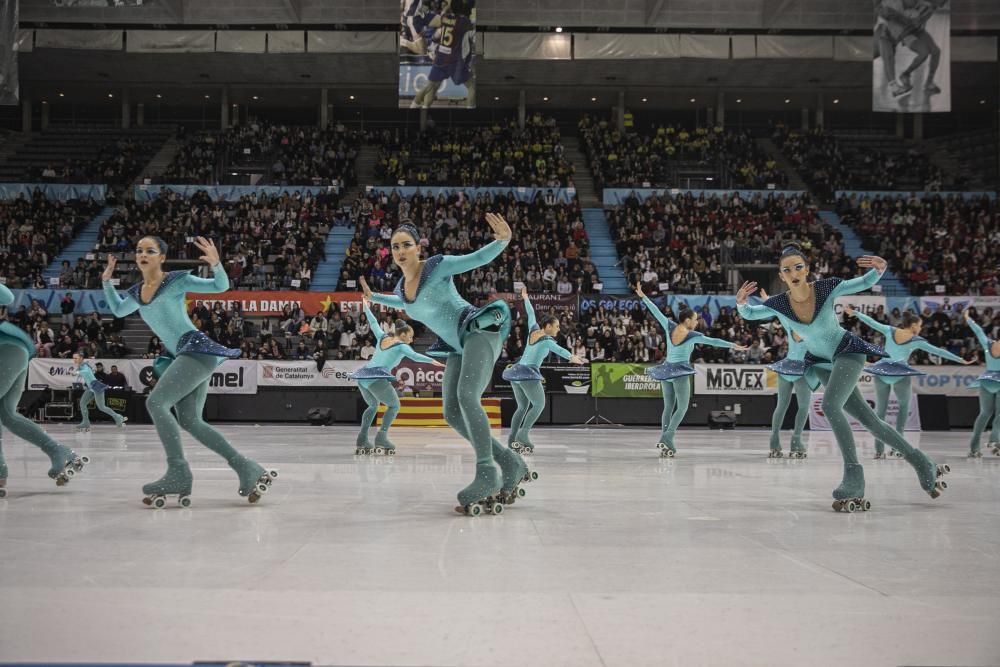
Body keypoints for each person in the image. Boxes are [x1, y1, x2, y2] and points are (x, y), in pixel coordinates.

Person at [736, 244, 949, 512]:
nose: (794, 272)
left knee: (829, 405)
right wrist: (741, 302)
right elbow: (752, 314)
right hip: (822, 363)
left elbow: (859, 282)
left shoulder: (826, 288)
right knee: (870, 421)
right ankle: (922, 462)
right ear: (781, 276)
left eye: (798, 267)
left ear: (807, 269)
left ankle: (853, 476)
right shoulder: (779, 303)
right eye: (787, 269)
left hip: (847, 352)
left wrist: (878, 271)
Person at [362, 213, 534, 516]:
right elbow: (402, 304)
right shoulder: (403, 287)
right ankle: (509, 461)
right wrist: (373, 297)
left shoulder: (438, 266)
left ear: (418, 248)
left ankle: (486, 474)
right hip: (456, 345)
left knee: (467, 396)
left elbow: (477, 258)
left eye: (406, 245)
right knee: (451, 412)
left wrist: (503, 240)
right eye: (395, 246)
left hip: (477, 330)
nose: (401, 251)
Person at [102, 236, 277, 508]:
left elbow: (221, 286)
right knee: (190, 420)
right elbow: (117, 309)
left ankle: (178, 472)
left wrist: (217, 263)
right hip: (185, 356)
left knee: (156, 402)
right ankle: (247, 468)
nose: (143, 254)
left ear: (162, 257)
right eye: (139, 250)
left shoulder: (176, 281)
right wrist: (106, 282)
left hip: (194, 349)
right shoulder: (136, 293)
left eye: (150, 250)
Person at [847, 306, 973, 459]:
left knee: (880, 412)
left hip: (882, 372)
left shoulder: (890, 330)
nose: (920, 328)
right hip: (900, 373)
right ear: (913, 325)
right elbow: (938, 351)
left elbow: (871, 322)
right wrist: (960, 360)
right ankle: (898, 447)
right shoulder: (916, 340)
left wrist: (855, 313)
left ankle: (879, 451)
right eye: (920, 325)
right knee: (903, 408)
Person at [0, 282, 89, 497]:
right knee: (7, 414)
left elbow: (6, 295)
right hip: (14, 350)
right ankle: (59, 451)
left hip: (8, 350)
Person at [637, 284, 746, 457]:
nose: (697, 321)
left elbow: (655, 311)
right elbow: (715, 341)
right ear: (687, 320)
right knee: (682, 407)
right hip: (679, 371)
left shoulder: (669, 325)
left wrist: (643, 296)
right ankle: (668, 437)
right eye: (695, 319)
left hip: (666, 370)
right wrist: (734, 346)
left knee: (668, 407)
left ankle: (663, 439)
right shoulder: (692, 335)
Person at [350, 298, 443, 455]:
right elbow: (415, 356)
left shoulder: (383, 337)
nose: (411, 339)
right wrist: (433, 361)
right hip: (376, 378)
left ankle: (362, 439)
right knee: (394, 406)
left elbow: (373, 323)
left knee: (373, 406)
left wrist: (365, 306)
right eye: (410, 336)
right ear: (404, 334)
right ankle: (381, 437)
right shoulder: (402, 346)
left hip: (363, 376)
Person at [503, 287, 586, 454]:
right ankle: (523, 435)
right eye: (555, 326)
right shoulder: (547, 340)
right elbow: (559, 350)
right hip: (528, 374)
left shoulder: (533, 330)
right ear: (548, 326)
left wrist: (525, 298)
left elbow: (531, 312)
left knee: (522, 407)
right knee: (539, 404)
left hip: (516, 372)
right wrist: (573, 357)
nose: (557, 329)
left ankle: (512, 439)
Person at [964, 310, 1000, 458]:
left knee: (985, 413)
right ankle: (995, 442)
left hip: (986, 380)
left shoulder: (988, 343)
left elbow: (978, 330)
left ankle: (974, 448)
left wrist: (967, 318)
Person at [73, 352, 126, 431]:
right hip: (90, 387)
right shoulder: (81, 366)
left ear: (81, 358)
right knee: (82, 403)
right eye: (73, 358)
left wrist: (78, 372)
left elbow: (86, 371)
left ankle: (118, 417)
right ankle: (86, 422)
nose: (74, 360)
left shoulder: (84, 365)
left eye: (76, 358)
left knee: (101, 407)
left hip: (96, 386)